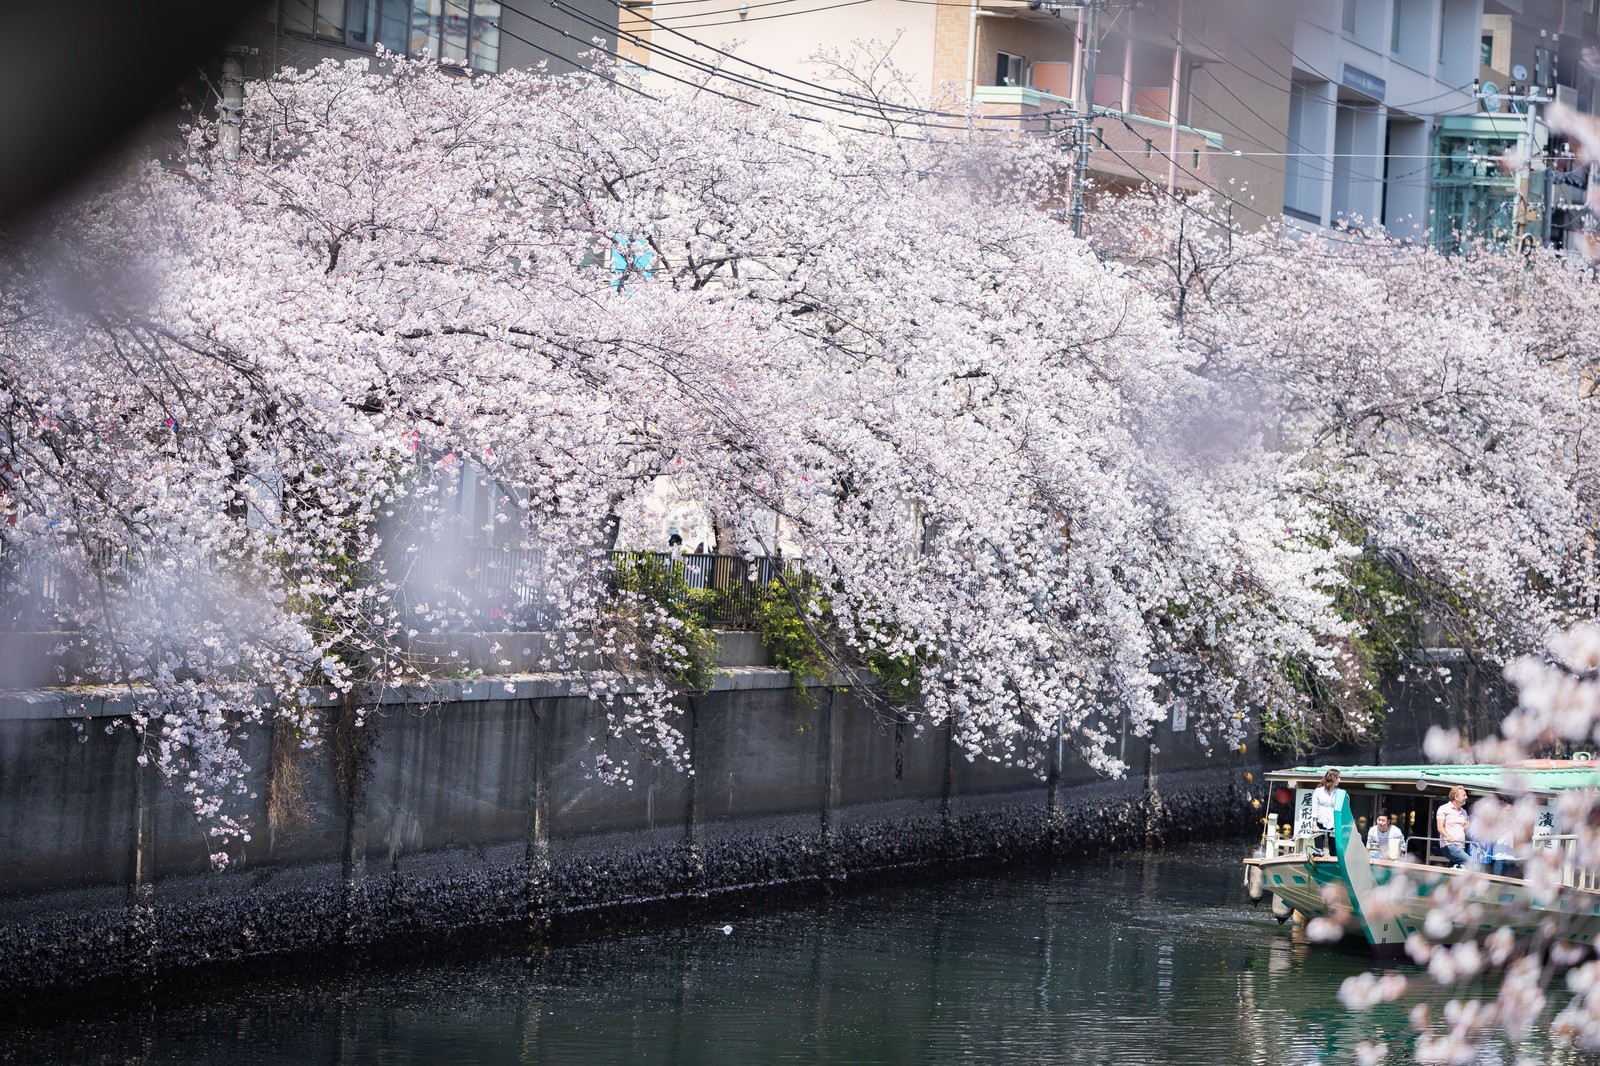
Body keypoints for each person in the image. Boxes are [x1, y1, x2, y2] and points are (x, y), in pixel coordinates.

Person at [1311, 769, 1345, 856]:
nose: (1340, 780)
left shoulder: (1340, 793)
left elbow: (1342, 811)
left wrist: (1338, 825)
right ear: (1333, 778)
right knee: (1318, 850)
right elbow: (1314, 808)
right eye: (1338, 778)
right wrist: (1315, 824)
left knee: (1333, 850)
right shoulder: (1318, 791)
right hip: (1320, 822)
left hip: (1333, 823)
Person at [1437, 786, 1471, 867]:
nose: (1466, 797)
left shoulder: (1464, 812)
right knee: (1471, 863)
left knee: (1454, 871)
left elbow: (1465, 830)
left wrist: (1467, 828)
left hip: (1461, 847)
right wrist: (1448, 837)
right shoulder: (1444, 808)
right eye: (1464, 795)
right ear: (1456, 797)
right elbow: (1440, 827)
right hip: (1449, 845)